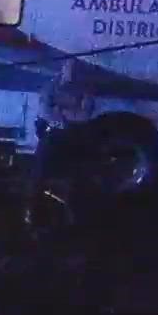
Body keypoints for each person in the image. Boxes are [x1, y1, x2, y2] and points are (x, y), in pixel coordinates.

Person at [25, 58, 96, 225]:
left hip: (73, 133)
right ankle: (32, 207)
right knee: (39, 170)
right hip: (54, 132)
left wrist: (62, 112)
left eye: (75, 74)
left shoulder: (85, 89)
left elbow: (86, 114)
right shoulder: (51, 85)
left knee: (76, 172)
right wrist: (66, 116)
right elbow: (44, 110)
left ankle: (71, 212)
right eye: (68, 72)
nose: (71, 77)